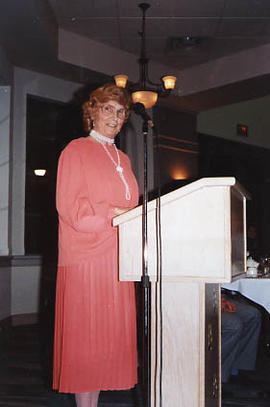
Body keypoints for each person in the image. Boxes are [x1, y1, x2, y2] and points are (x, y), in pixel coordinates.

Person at [53, 83, 139, 407]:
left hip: (119, 260)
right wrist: (115, 215)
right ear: (92, 112)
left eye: (120, 112)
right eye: (107, 109)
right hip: (86, 261)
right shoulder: (75, 150)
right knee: (87, 349)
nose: (114, 117)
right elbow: (71, 210)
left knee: (104, 348)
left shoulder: (125, 159)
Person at [221, 292, 261, 385]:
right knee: (234, 325)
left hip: (218, 294)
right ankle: (213, 372)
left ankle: (237, 368)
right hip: (202, 299)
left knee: (253, 315)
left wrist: (222, 298)